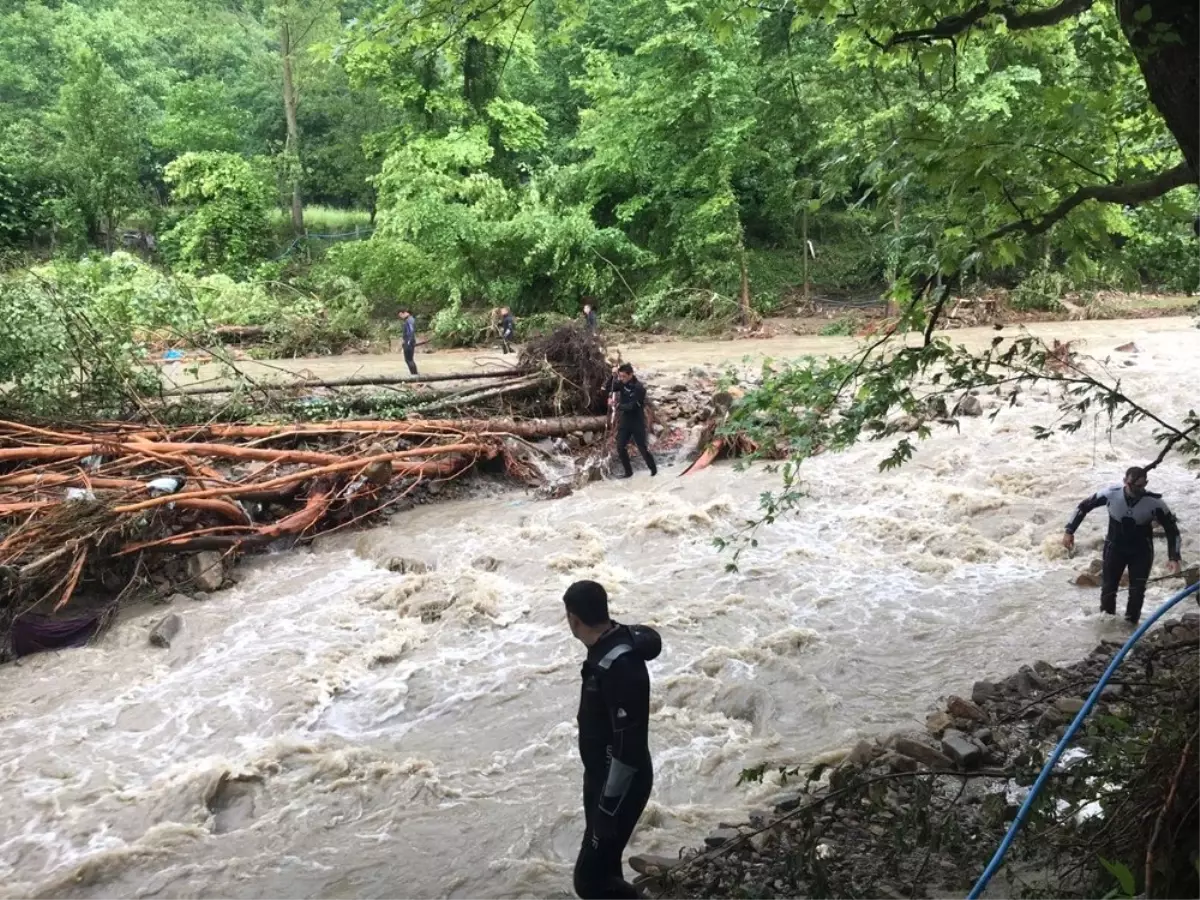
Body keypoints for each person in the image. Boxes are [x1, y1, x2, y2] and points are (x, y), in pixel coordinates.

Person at [564, 580, 661, 900]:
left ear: (573, 619)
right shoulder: (610, 643)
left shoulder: (618, 664)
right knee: (605, 867)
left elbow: (628, 746)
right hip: (601, 778)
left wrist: (607, 807)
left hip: (621, 783)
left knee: (589, 880)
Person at [1063, 466, 1182, 625]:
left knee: (1137, 591)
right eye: (1134, 485)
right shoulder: (1111, 494)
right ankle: (1107, 625)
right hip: (1115, 547)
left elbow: (1172, 529)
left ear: (1146, 483)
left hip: (1141, 551)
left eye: (1142, 486)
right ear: (1125, 481)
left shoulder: (1155, 503)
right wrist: (1069, 531)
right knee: (1108, 588)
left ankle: (1130, 626)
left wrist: (1174, 557)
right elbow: (1084, 506)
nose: (1138, 490)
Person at [606, 363, 657, 479]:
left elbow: (633, 405)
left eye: (624, 376)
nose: (621, 379)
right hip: (625, 421)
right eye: (620, 376)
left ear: (631, 375)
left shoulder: (639, 388)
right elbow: (609, 387)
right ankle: (628, 472)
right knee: (620, 447)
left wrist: (617, 405)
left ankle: (654, 472)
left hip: (637, 422)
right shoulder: (621, 383)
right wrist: (612, 375)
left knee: (642, 448)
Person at [398, 309, 418, 375]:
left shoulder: (409, 320)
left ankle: (414, 375)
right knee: (409, 359)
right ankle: (414, 375)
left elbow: (411, 331)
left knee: (409, 360)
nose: (401, 317)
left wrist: (408, 342)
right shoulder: (410, 319)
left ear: (405, 313)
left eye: (401, 315)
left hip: (409, 342)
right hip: (409, 341)